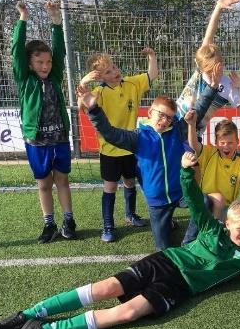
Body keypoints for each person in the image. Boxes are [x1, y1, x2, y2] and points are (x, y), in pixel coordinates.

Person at [0, 151, 240, 329]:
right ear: (228, 223)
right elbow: (196, 199)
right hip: (166, 261)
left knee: (128, 313)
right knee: (107, 288)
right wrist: (187, 170)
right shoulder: (212, 228)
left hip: (178, 288)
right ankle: (25, 315)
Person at [76, 77, 217, 251]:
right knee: (163, 251)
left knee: (204, 201)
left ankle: (188, 242)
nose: (165, 121)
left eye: (169, 118)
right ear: (150, 112)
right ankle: (167, 225)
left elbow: (198, 110)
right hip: (157, 202)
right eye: (161, 115)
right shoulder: (138, 137)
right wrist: (93, 108)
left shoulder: (176, 132)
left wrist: (212, 87)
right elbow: (110, 134)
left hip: (180, 193)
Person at [12, 1, 76, 243]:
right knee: (43, 184)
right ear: (29, 63)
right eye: (39, 62)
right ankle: (49, 224)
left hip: (59, 138)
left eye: (47, 62)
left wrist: (56, 20)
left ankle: (68, 220)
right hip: (36, 141)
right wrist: (23, 18)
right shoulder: (24, 79)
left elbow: (59, 50)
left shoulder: (55, 74)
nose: (45, 66)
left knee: (62, 180)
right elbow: (17, 49)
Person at [79, 49, 158, 242]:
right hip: (110, 150)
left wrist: (152, 57)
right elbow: (82, 103)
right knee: (110, 187)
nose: (114, 71)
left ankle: (130, 215)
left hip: (131, 146)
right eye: (107, 72)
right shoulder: (99, 93)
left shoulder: (132, 83)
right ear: (99, 78)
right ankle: (108, 225)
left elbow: (152, 75)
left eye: (113, 67)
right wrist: (83, 83)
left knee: (130, 182)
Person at [176, 0, 240, 134]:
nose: (214, 72)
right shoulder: (199, 70)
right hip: (173, 121)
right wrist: (218, 7)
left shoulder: (228, 85)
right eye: (209, 70)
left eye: (218, 67)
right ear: (201, 67)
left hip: (192, 134)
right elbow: (208, 36)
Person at [181, 113, 240, 244]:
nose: (226, 146)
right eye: (222, 143)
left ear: (237, 142)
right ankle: (201, 238)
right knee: (218, 198)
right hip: (204, 201)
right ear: (216, 143)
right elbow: (194, 144)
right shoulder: (210, 153)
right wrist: (191, 124)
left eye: (230, 142)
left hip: (227, 209)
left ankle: (217, 235)